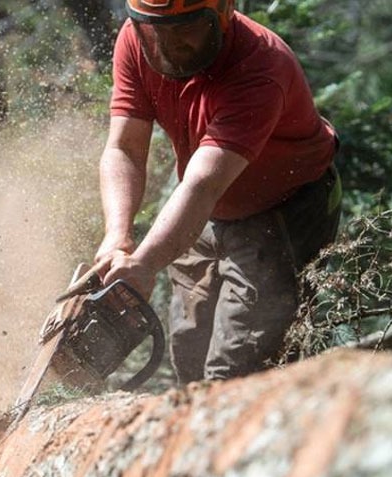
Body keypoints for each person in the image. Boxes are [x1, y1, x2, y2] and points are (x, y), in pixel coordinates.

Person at [93, 0, 342, 383]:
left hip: (282, 211)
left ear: (223, 13)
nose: (170, 44)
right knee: (190, 349)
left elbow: (203, 183)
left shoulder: (260, 67)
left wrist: (143, 265)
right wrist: (117, 238)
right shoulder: (136, 41)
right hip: (208, 206)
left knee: (239, 368)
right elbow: (124, 148)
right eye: (155, 29)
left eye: (186, 28)